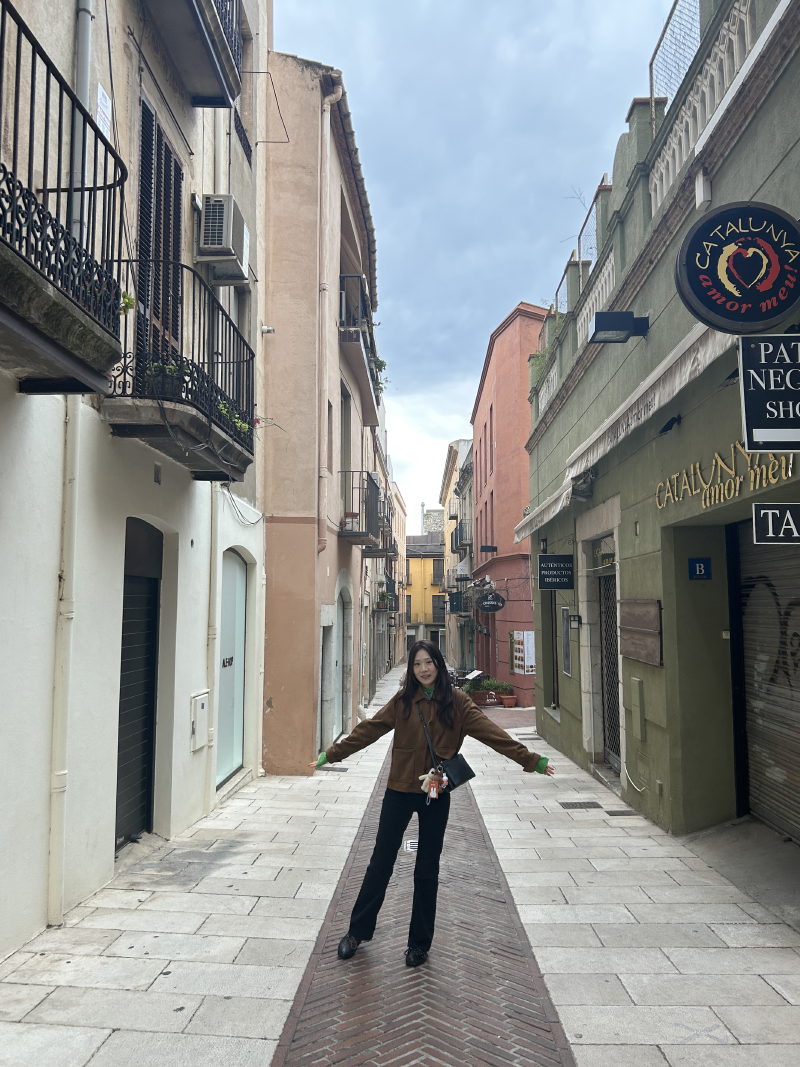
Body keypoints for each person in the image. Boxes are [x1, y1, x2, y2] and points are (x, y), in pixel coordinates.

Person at [309, 639, 555, 968]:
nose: (424, 669)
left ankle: (419, 944)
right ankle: (357, 932)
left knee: (427, 869)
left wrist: (531, 760)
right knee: (380, 863)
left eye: (429, 662)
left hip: (435, 794)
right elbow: (370, 729)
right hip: (398, 790)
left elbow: (493, 734)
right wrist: (332, 754)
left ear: (438, 664)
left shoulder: (458, 703)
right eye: (417, 664)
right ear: (411, 669)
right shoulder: (403, 701)